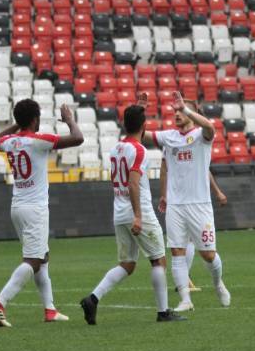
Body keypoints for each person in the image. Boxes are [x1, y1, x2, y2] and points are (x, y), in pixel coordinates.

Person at [79, 104, 185, 324]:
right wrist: (138, 215)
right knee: (158, 260)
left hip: (119, 212)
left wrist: (139, 106)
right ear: (144, 126)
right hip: (139, 212)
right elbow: (133, 183)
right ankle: (163, 312)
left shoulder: (116, 148)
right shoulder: (139, 150)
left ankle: (93, 299)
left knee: (127, 264)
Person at [0, 100, 84, 328]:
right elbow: (78, 138)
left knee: (42, 258)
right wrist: (69, 120)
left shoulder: (10, 142)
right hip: (35, 209)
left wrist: (17, 126)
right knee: (33, 260)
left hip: (17, 207)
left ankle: (50, 310)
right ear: (34, 120)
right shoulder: (39, 141)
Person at [142, 92, 231, 312]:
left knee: (208, 255)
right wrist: (140, 110)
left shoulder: (202, 135)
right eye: (176, 111)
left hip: (199, 204)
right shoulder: (169, 136)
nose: (177, 114)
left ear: (192, 114)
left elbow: (211, 127)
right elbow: (141, 134)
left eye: (181, 111)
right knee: (177, 252)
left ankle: (218, 283)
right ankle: (185, 299)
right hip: (176, 206)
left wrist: (187, 109)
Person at [157, 158, 228, 293]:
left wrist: (217, 192)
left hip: (197, 203)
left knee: (207, 253)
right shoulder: (171, 142)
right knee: (179, 246)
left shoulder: (197, 145)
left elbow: (205, 170)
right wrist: (164, 195)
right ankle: (184, 284)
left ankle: (194, 281)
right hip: (179, 202)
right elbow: (163, 170)